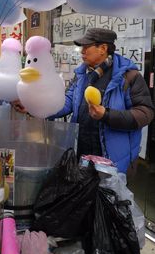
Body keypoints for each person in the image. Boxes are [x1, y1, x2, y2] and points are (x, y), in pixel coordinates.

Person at [13, 28, 154, 174]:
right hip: (82, 150)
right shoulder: (82, 74)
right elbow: (66, 102)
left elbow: (145, 113)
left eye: (87, 47)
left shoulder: (128, 76)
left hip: (111, 157)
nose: (82, 51)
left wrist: (106, 115)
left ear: (103, 49)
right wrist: (34, 107)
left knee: (107, 195)